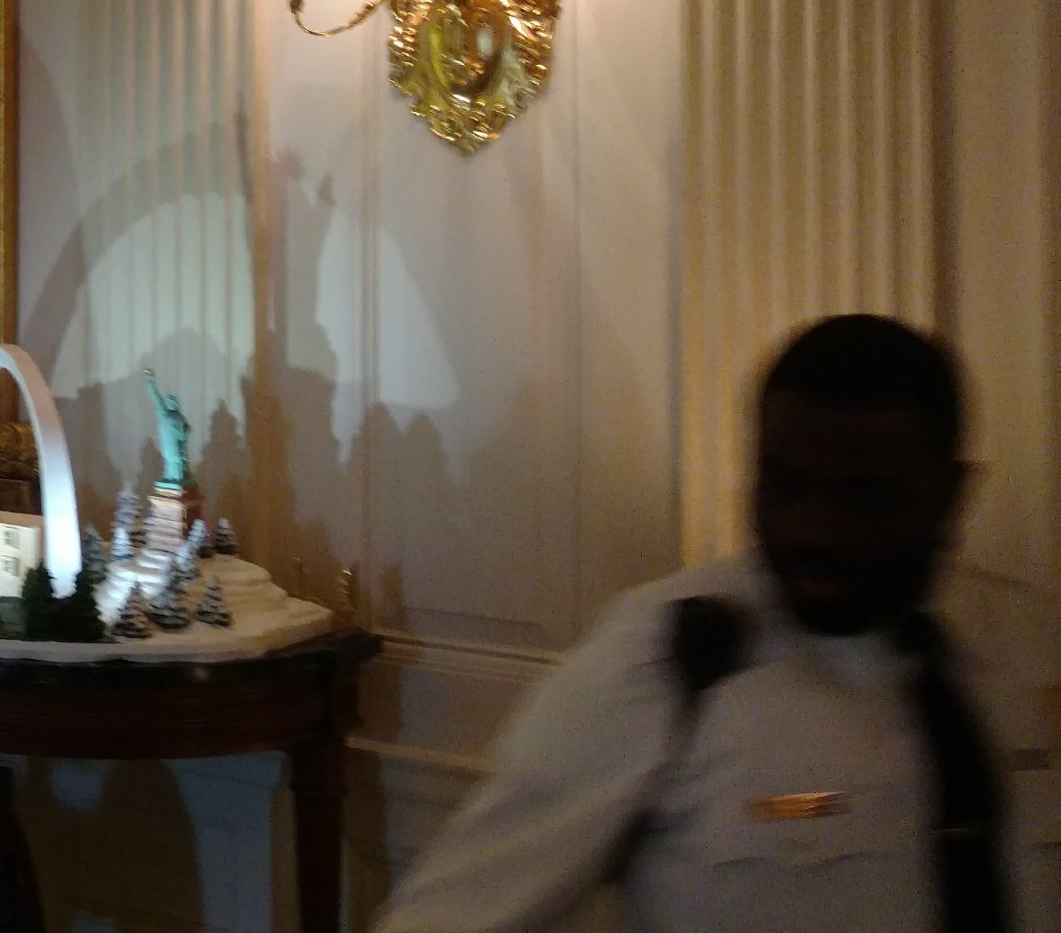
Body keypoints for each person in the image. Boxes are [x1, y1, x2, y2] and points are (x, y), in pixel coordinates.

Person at [380, 315, 1056, 932]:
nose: (812, 529)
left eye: (865, 500)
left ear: (951, 493)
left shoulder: (1034, 649)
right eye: (783, 486)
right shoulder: (660, 655)